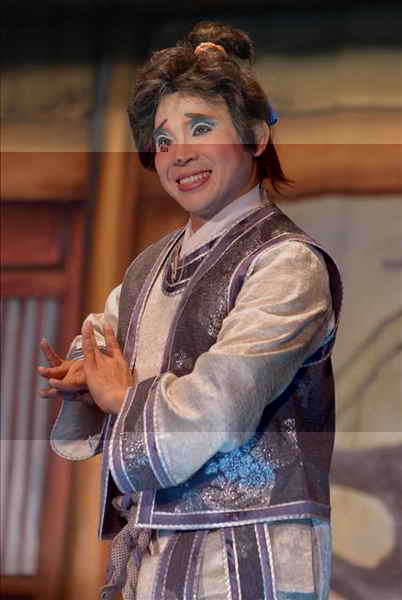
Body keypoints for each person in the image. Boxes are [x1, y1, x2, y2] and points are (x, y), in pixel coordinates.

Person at [39, 21, 342, 600]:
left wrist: (120, 395)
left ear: (255, 136)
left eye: (201, 128)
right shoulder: (148, 267)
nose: (179, 154)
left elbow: (220, 403)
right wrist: (85, 377)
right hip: (158, 544)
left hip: (253, 551)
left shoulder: (287, 262)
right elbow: (102, 339)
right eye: (163, 140)